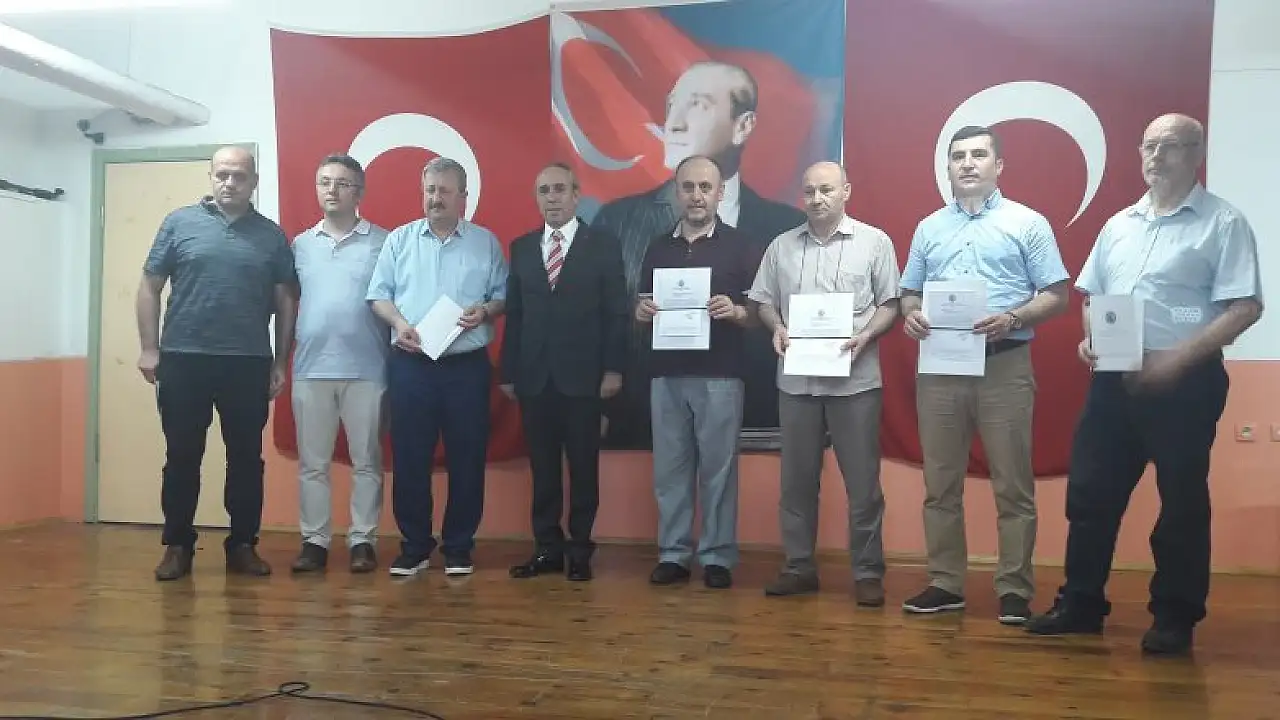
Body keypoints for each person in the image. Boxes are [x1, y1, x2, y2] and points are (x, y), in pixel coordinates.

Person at [1026, 113, 1263, 655]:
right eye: (1149, 145)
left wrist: (1176, 361)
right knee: (1090, 494)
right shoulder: (1119, 225)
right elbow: (1093, 296)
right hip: (1114, 379)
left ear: (1196, 153)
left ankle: (1175, 617)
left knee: (1180, 503)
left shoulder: (1222, 223)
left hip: (1186, 384)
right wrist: (1092, 339)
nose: (1156, 156)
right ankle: (1081, 604)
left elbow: (1244, 306)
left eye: (1171, 146)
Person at [899, 125, 1070, 624]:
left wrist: (1014, 317)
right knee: (940, 483)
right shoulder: (929, 228)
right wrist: (911, 314)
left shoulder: (1027, 223)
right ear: (948, 167)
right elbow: (909, 292)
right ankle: (945, 583)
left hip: (1005, 364)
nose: (968, 163)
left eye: (978, 154)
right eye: (958, 156)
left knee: (1012, 485)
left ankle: (1014, 588)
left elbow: (1056, 294)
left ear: (999, 165)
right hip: (941, 367)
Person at [590, 60, 806, 449]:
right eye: (672, 105)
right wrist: (638, 318)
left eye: (698, 105)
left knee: (721, 480)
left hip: (754, 401)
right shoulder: (619, 221)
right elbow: (606, 311)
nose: (673, 123)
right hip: (650, 403)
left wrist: (740, 313)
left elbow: (792, 315)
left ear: (743, 126)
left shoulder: (788, 228)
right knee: (667, 481)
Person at [137, 145, 298, 581]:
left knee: (245, 459)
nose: (230, 183)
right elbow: (150, 286)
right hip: (183, 360)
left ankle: (243, 545)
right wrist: (150, 348)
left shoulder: (271, 236)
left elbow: (286, 300)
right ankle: (177, 545)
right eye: (222, 174)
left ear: (253, 182)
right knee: (182, 457)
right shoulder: (179, 223)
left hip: (247, 363)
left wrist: (280, 360)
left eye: (239, 176)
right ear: (211, 177)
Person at [748, 161, 900, 605]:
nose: (817, 198)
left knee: (863, 485)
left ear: (846, 191)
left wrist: (867, 335)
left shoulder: (874, 242)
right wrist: (776, 326)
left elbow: (891, 303)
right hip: (797, 383)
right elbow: (762, 302)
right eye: (810, 191)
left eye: (827, 190)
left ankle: (867, 572)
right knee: (796, 482)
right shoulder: (781, 246)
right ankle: (799, 567)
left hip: (855, 383)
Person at [366, 156, 508, 577]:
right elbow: (378, 295)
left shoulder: (485, 242)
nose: (436, 198)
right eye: (430, 190)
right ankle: (414, 547)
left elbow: (502, 296)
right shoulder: (399, 240)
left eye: (445, 190)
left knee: (467, 457)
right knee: (410, 457)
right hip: (411, 365)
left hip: (466, 367)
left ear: (463, 196)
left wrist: (485, 310)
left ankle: (459, 547)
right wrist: (399, 323)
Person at [634, 155, 760, 590]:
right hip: (666, 374)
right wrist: (642, 312)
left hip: (720, 375)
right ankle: (673, 554)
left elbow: (759, 315)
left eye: (705, 187)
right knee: (670, 471)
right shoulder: (657, 247)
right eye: (688, 187)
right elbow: (642, 305)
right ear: (677, 192)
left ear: (720, 192)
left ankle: (717, 557)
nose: (696, 196)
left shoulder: (741, 246)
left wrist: (736, 311)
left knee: (718, 472)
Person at [500, 162, 629, 582]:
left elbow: (616, 313)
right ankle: (547, 549)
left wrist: (613, 369)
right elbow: (516, 315)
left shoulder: (603, 245)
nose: (551, 198)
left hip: (585, 379)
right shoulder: (522, 247)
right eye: (544, 191)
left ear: (576, 195)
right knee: (543, 470)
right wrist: (508, 371)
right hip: (535, 378)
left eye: (559, 189)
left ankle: (580, 550)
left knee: (583, 468)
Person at [289, 154, 390, 574]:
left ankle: (362, 540)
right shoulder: (300, 245)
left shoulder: (383, 242)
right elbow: (287, 302)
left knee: (367, 461)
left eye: (342, 183)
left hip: (368, 368)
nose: (332, 190)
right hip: (310, 369)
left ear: (359, 192)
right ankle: (314, 541)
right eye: (324, 182)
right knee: (313, 464)